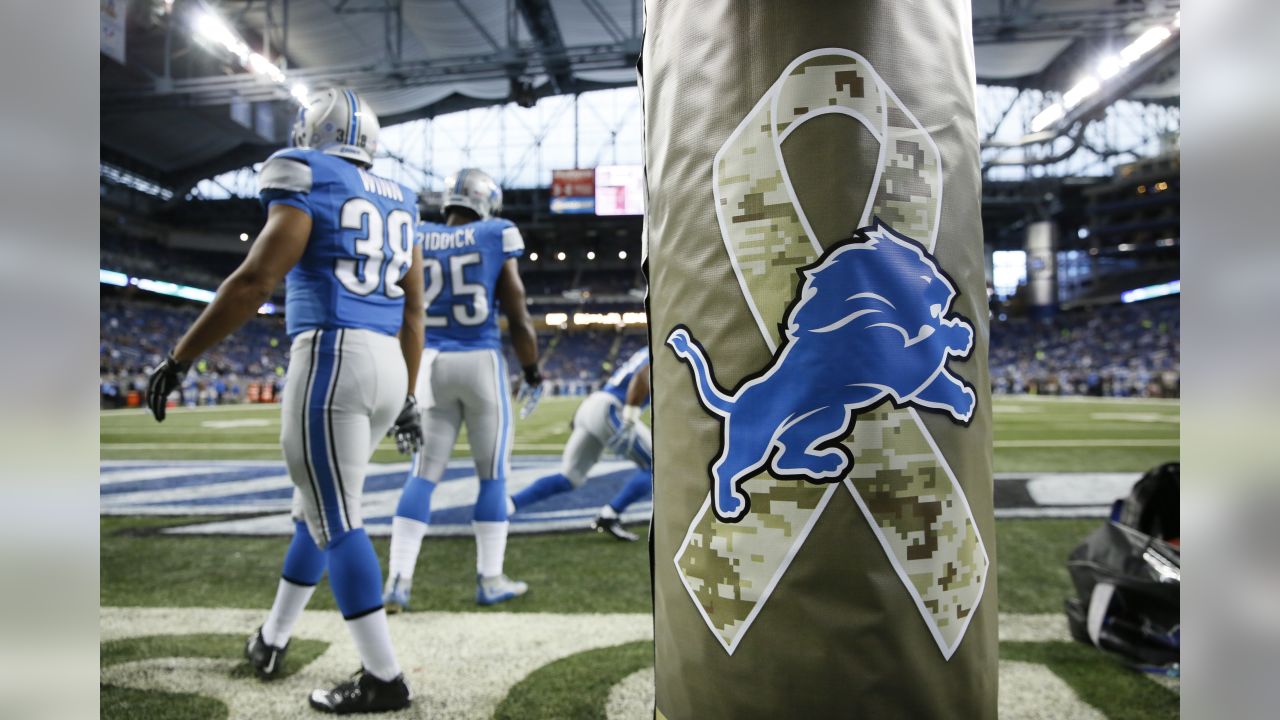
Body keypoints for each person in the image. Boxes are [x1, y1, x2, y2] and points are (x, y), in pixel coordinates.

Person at [145, 88, 424, 714]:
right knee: (314, 511)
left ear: (313, 132)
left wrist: (181, 355)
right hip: (384, 363)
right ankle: (272, 638)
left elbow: (255, 279)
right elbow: (413, 308)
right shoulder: (401, 196)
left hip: (332, 356)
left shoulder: (307, 173)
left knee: (335, 517)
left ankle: (384, 678)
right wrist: (407, 394)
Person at [382, 168, 542, 612]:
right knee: (492, 475)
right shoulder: (496, 232)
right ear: (486, 201)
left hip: (430, 363)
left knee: (423, 474)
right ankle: (490, 578)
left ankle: (398, 580)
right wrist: (530, 370)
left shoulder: (418, 230)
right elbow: (518, 310)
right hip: (479, 361)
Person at [509, 347, 653, 541]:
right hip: (611, 409)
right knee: (655, 467)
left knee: (570, 477)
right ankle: (610, 515)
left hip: (592, 406)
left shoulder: (645, 349)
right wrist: (630, 418)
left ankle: (507, 505)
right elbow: (644, 375)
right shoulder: (663, 344)